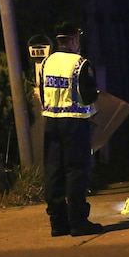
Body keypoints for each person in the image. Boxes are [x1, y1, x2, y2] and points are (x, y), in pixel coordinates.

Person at [38, 21, 103, 237]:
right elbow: (89, 95)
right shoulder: (81, 64)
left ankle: (58, 223)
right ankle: (78, 221)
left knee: (53, 171)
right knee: (76, 170)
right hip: (75, 123)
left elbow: (41, 89)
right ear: (74, 39)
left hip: (51, 122)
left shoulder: (46, 63)